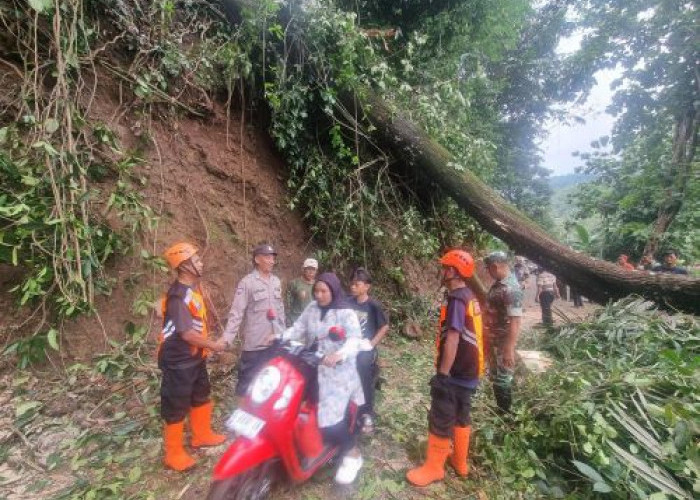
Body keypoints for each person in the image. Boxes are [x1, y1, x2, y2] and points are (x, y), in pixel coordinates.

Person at [406, 250, 484, 487]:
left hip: (455, 373)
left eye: (444, 268)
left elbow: (452, 338)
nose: (442, 272)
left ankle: (433, 468)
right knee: (462, 415)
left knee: (441, 417)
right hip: (469, 373)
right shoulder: (470, 295)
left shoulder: (457, 300)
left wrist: (442, 374)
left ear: (453, 271)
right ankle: (460, 463)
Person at [282, 272, 365, 485]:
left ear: (333, 290)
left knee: (329, 418)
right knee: (297, 405)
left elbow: (355, 339)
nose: (319, 295)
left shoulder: (345, 313)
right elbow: (298, 327)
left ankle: (352, 454)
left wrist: (340, 354)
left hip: (339, 372)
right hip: (312, 365)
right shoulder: (312, 308)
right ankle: (307, 442)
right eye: (316, 290)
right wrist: (281, 336)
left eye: (323, 291)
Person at [159, 242, 227, 471]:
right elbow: (187, 334)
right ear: (185, 267)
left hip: (194, 357)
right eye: (196, 261)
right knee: (176, 405)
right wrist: (214, 345)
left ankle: (202, 435)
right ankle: (173, 453)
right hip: (178, 360)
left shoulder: (191, 291)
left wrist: (205, 348)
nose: (201, 263)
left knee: (201, 395)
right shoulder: (178, 296)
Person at [222, 243, 286, 398]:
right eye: (268, 257)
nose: (272, 261)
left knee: (272, 384)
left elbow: (281, 311)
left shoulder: (276, 282)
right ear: (257, 259)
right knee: (247, 385)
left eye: (273, 258)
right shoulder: (247, 283)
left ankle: (266, 418)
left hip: (275, 343)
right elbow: (237, 312)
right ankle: (242, 415)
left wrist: (283, 335)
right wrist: (227, 339)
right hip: (255, 344)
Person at [349, 267, 389, 434]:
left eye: (357, 284)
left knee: (363, 370)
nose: (353, 287)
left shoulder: (373, 306)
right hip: (350, 346)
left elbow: (384, 326)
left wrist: (371, 344)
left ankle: (367, 413)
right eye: (352, 284)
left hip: (365, 349)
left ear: (366, 287)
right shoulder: (348, 302)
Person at [483, 251, 523, 414]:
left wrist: (509, 349)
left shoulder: (511, 288)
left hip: (503, 342)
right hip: (493, 340)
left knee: (503, 379)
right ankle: (501, 409)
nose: (488, 272)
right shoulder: (499, 284)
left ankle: (505, 415)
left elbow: (516, 321)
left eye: (488, 269)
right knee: (495, 376)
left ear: (495, 266)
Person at [286, 258, 318, 324]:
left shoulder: (318, 285)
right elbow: (288, 302)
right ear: (303, 270)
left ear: (316, 271)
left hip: (312, 320)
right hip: (296, 319)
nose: (311, 272)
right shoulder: (294, 283)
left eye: (313, 269)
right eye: (308, 269)